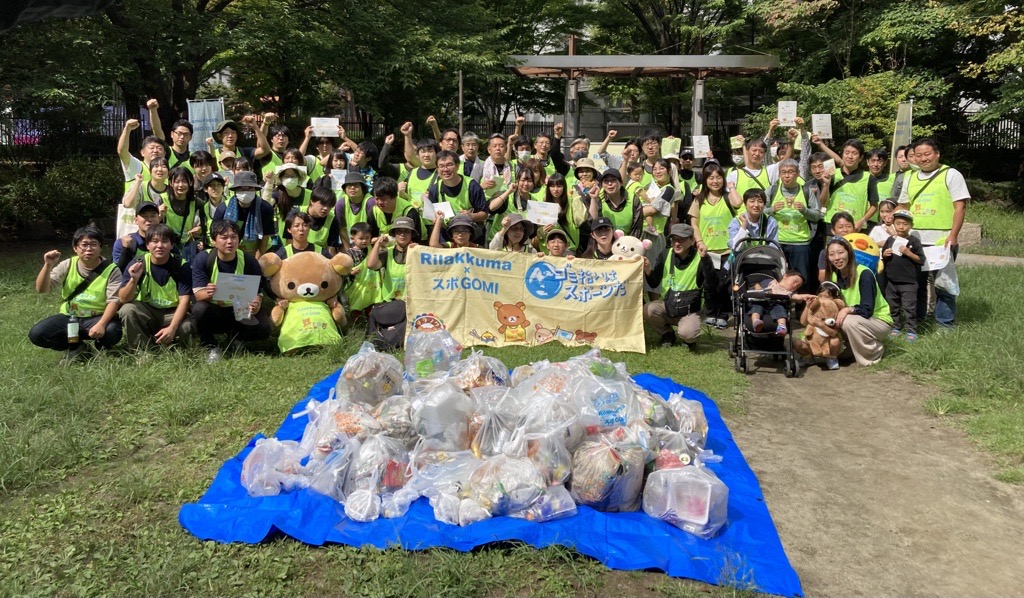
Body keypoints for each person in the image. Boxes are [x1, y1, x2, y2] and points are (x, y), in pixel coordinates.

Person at [897, 138, 969, 328]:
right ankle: (917, 321)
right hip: (916, 240)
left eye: (927, 154)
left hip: (942, 240)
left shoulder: (951, 175)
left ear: (937, 154)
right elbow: (903, 206)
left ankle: (945, 324)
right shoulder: (910, 177)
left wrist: (953, 236)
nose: (923, 158)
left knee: (943, 285)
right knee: (916, 284)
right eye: (918, 155)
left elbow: (960, 207)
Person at [29, 225, 123, 362]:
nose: (89, 249)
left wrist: (101, 324)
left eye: (93, 244)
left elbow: (114, 300)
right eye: (84, 245)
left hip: (97, 317)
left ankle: (101, 348)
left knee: (113, 332)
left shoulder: (111, 270)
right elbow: (42, 289)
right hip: (70, 316)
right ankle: (77, 347)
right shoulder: (68, 264)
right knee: (37, 334)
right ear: (75, 248)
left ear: (100, 247)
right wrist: (48, 265)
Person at [191, 220, 272, 363]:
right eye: (224, 237)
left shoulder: (248, 260)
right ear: (214, 240)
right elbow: (198, 294)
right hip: (215, 309)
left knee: (264, 328)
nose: (230, 241)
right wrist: (209, 292)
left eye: (234, 237)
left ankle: (237, 338)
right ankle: (210, 346)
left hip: (240, 309)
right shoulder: (203, 259)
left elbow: (257, 290)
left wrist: (256, 303)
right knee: (199, 310)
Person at [117, 223, 193, 351]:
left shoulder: (181, 265)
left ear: (172, 245)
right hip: (148, 311)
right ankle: (141, 350)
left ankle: (172, 347)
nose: (159, 246)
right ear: (147, 245)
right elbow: (123, 299)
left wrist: (172, 328)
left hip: (172, 312)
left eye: (164, 241)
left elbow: (184, 301)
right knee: (127, 309)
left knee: (187, 326)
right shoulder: (138, 263)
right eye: (154, 241)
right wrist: (133, 280)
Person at [687, 162, 742, 328]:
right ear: (705, 180)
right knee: (709, 284)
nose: (715, 181)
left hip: (727, 250)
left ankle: (723, 315)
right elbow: (694, 223)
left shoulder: (727, 197)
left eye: (719, 177)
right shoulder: (699, 199)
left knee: (725, 285)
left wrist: (731, 188)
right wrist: (699, 242)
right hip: (707, 250)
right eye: (711, 178)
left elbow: (738, 203)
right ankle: (711, 314)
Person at [824, 236, 893, 366]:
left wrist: (847, 310)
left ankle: (873, 352)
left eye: (841, 252)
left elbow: (867, 310)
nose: (837, 258)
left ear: (849, 253)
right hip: (857, 320)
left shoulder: (864, 273)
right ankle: (848, 350)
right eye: (832, 254)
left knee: (847, 321)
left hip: (877, 320)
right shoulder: (834, 275)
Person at [643, 224, 712, 349]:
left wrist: (706, 260)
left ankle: (688, 339)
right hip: (668, 306)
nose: (677, 243)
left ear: (692, 241)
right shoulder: (665, 254)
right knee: (648, 309)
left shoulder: (701, 257)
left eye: (682, 239)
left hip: (690, 311)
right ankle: (667, 334)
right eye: (674, 239)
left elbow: (713, 284)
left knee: (688, 334)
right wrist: (648, 270)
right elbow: (654, 283)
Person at [765, 158, 821, 287]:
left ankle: (802, 305)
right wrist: (771, 210)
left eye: (791, 172)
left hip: (800, 243)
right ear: (779, 174)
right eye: (783, 172)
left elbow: (816, 215)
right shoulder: (771, 191)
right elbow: (759, 212)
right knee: (778, 278)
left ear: (797, 173)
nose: (787, 175)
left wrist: (804, 210)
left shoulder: (806, 191)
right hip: (777, 242)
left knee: (800, 279)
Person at [814, 137, 879, 231]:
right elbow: (823, 203)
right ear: (842, 155)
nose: (850, 156)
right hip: (832, 227)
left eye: (854, 153)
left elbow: (874, 206)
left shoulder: (869, 178)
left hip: (855, 227)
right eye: (847, 152)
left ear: (861, 157)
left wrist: (862, 221)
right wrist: (826, 185)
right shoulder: (831, 174)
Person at [427, 150, 488, 243]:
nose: (445, 169)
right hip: (447, 238)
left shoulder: (472, 185)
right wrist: (438, 221)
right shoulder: (434, 189)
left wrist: (470, 216)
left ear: (457, 166)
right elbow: (433, 217)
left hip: (471, 238)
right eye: (441, 166)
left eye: (449, 165)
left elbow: (484, 214)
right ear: (437, 169)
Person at [882, 210, 924, 341]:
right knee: (892, 305)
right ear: (893, 224)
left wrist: (908, 253)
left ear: (911, 225)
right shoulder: (889, 240)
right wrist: (885, 254)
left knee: (909, 307)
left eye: (905, 224)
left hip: (908, 282)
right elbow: (883, 257)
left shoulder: (914, 241)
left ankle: (911, 331)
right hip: (891, 281)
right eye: (898, 223)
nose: (901, 226)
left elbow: (921, 260)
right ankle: (895, 327)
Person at [214, 171, 275, 257]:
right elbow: (216, 238)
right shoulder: (223, 209)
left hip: (257, 252)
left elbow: (264, 242)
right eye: (241, 189)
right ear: (235, 191)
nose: (246, 192)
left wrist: (256, 263)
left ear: (255, 190)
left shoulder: (265, 209)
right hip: (229, 252)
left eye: (250, 188)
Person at [793, 281, 845, 370]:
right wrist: (807, 307)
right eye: (820, 296)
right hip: (812, 343)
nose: (822, 299)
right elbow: (803, 322)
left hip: (828, 345)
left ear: (834, 298)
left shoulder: (836, 312)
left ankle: (831, 358)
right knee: (796, 343)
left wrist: (821, 325)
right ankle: (808, 358)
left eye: (827, 297)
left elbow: (833, 333)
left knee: (835, 341)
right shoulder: (815, 307)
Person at [367, 215, 417, 302]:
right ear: (394, 234)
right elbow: (371, 265)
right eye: (398, 231)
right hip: (389, 302)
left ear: (412, 234)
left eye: (407, 231)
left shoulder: (418, 252)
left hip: (411, 303)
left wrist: (419, 251)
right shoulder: (387, 252)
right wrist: (378, 243)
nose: (402, 234)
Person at [743, 270, 808, 335]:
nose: (795, 285)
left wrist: (806, 296)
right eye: (795, 281)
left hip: (776, 304)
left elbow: (797, 297)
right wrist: (758, 289)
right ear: (785, 276)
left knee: (780, 309)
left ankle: (782, 326)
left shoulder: (789, 293)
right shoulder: (771, 282)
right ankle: (756, 321)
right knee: (756, 307)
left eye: (798, 286)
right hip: (761, 301)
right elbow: (757, 284)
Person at [588, 169, 643, 238]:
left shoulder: (633, 199)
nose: (610, 183)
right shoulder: (598, 198)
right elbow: (593, 222)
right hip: (605, 242)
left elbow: (637, 227)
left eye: (613, 180)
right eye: (606, 181)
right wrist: (593, 199)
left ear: (621, 183)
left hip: (627, 243)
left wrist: (630, 243)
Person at [344, 222, 380, 320]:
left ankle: (370, 321)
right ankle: (357, 323)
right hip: (356, 286)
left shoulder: (371, 249)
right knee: (356, 306)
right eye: (361, 238)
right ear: (352, 239)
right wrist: (351, 272)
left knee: (370, 303)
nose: (364, 241)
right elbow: (345, 269)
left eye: (367, 238)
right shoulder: (349, 253)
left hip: (369, 284)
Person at [112, 201, 162, 272]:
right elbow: (118, 272)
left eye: (153, 215)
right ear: (135, 220)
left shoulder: (166, 242)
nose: (149, 219)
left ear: (159, 219)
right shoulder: (122, 243)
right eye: (144, 216)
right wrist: (125, 250)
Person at [488, 167, 535, 242]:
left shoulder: (535, 202)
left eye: (529, 181)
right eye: (523, 180)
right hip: (498, 242)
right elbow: (491, 207)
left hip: (519, 245)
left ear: (533, 183)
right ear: (517, 181)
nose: (526, 184)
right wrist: (508, 191)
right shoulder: (507, 196)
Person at [816, 211, 857, 283]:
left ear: (854, 229)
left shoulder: (861, 249)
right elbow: (822, 278)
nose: (845, 230)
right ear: (833, 231)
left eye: (848, 226)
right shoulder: (826, 252)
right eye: (840, 227)